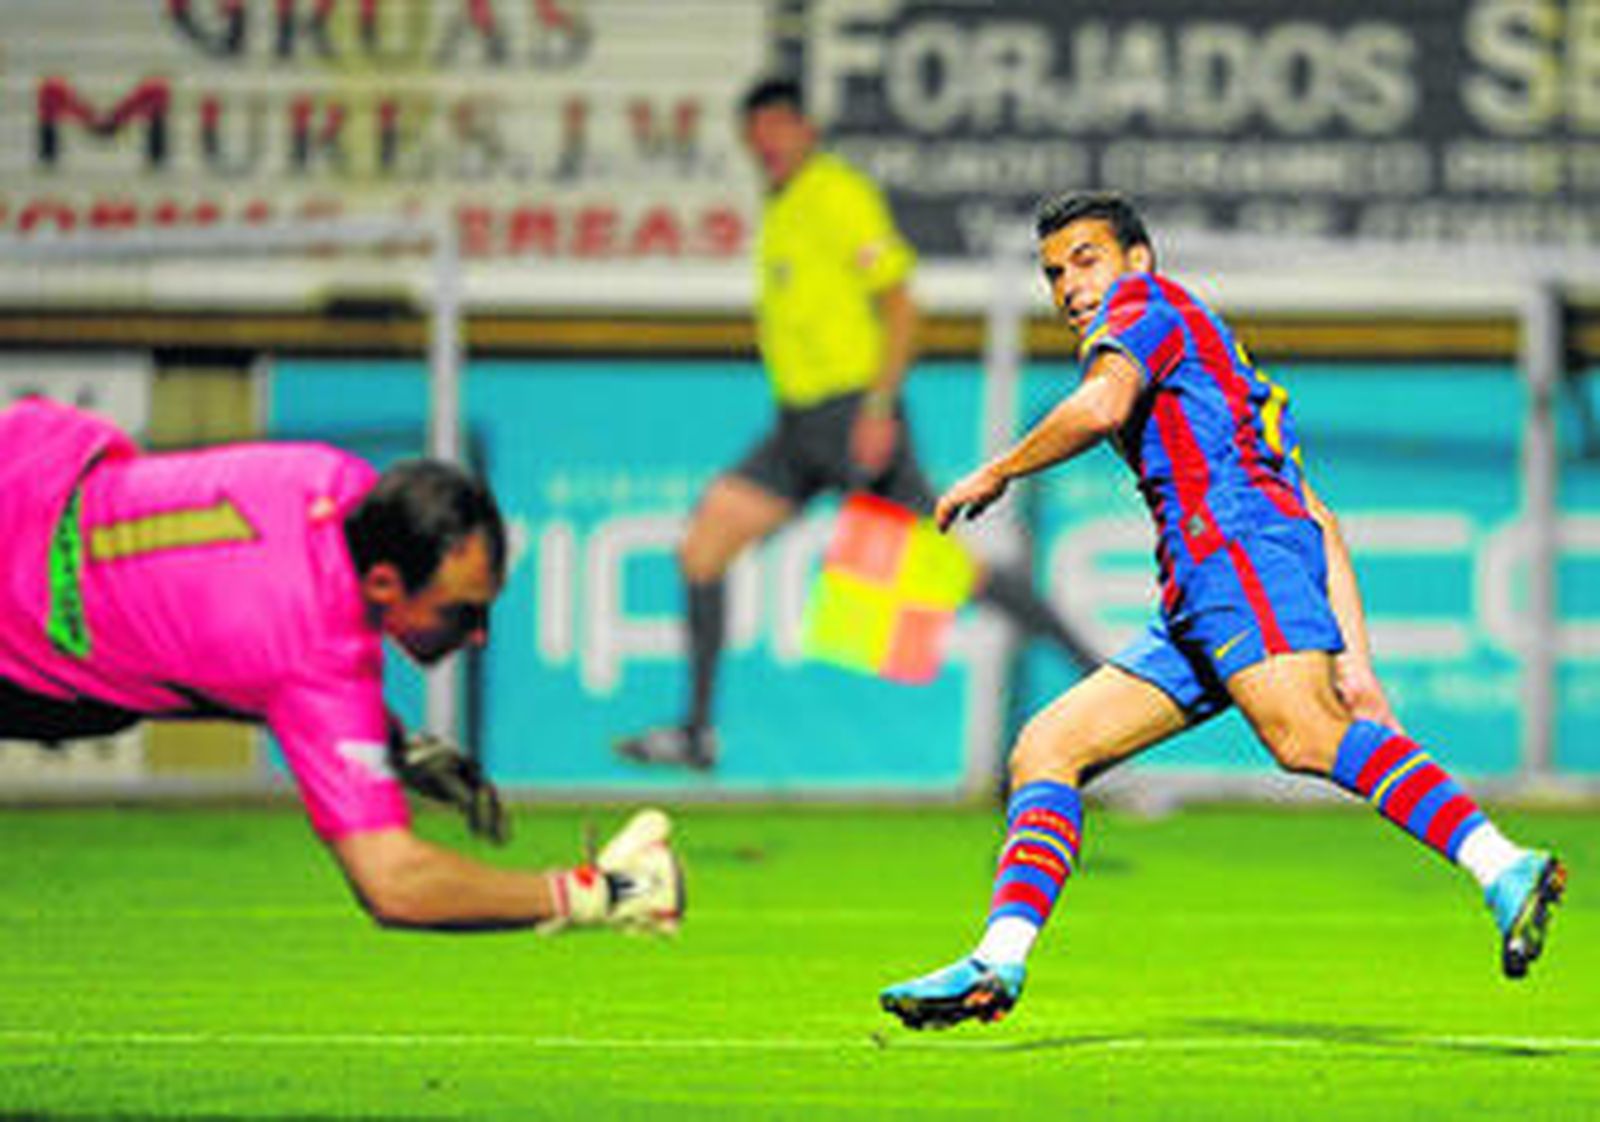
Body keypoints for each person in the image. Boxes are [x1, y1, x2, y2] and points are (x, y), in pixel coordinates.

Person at [878, 192, 1566, 1029]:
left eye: (1085, 259)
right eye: (1054, 272)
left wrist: (997, 470)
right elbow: (1318, 518)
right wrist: (1356, 665)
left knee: (1304, 736)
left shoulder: (1145, 306)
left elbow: (1101, 409)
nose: (1068, 286)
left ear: (1138, 259)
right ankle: (1000, 959)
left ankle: (1501, 862)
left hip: (1233, 556)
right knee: (1048, 748)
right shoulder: (1207, 358)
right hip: (1209, 585)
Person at [0, 396, 683, 935]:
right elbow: (395, 885)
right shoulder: (314, 656)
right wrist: (596, 894)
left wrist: (392, 747)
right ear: (385, 584)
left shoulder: (334, 481)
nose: (476, 636)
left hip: (28, 462)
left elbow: (222, 638)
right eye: (460, 612)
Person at [615, 76, 1096, 771]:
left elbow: (900, 305)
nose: (766, 142)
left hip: (854, 418)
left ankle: (1108, 686)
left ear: (805, 129)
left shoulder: (837, 192)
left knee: (956, 575)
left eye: (779, 125)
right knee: (703, 546)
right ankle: (696, 733)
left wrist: (877, 409)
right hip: (798, 427)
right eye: (755, 132)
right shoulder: (781, 206)